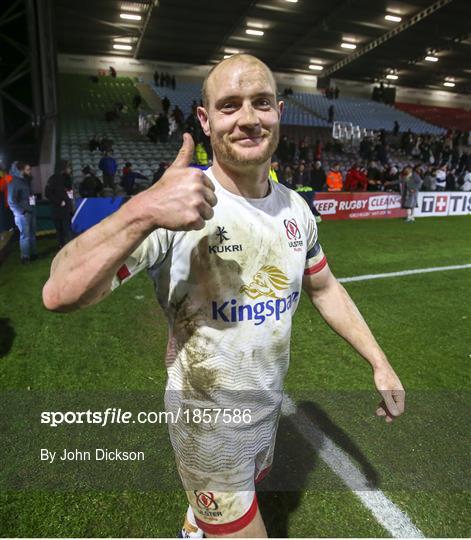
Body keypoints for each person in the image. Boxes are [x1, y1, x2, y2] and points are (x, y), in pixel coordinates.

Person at [42, 54, 405, 539]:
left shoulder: (296, 207)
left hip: (264, 410)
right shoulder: (177, 206)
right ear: (205, 119)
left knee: (210, 519)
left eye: (261, 103)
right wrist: (142, 210)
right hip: (207, 427)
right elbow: (59, 292)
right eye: (230, 106)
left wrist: (379, 361)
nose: (249, 119)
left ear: (279, 111)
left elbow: (324, 285)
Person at [8, 161, 37, 263]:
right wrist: (22, 212)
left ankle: (33, 254)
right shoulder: (14, 182)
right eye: (28, 169)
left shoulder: (26, 181)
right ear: (21, 170)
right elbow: (11, 201)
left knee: (32, 234)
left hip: (30, 211)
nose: (30, 172)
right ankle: (25, 257)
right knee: (25, 236)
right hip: (23, 214)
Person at [45, 160, 74, 249]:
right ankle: (62, 246)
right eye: (68, 167)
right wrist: (59, 202)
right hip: (57, 209)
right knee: (60, 230)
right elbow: (48, 193)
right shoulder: (53, 179)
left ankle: (70, 247)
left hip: (66, 209)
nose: (70, 169)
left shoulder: (68, 178)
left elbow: (69, 192)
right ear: (63, 168)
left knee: (67, 229)